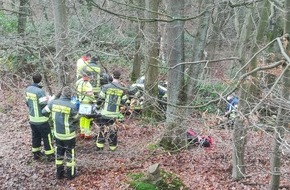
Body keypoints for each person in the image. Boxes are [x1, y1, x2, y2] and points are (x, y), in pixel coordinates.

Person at [42, 86, 79, 180]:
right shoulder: (72, 106)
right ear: (70, 95)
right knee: (71, 154)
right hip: (69, 136)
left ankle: (59, 174)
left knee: (59, 154)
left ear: (62, 93)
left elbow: (43, 112)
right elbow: (76, 119)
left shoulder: (53, 103)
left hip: (58, 134)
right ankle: (71, 175)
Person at [25, 72, 54, 161]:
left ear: (33, 79)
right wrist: (50, 100)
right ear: (40, 80)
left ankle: (36, 153)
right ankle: (50, 155)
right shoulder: (40, 91)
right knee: (47, 136)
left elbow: (27, 102)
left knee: (35, 136)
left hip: (32, 118)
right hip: (41, 119)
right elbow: (43, 105)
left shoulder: (28, 89)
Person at [96, 70, 127, 151]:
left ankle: (100, 147)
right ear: (120, 77)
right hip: (115, 115)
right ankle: (112, 148)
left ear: (112, 76)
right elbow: (124, 102)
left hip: (105, 114)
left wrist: (97, 108)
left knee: (102, 130)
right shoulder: (122, 88)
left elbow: (100, 99)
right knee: (113, 132)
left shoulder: (106, 87)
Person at [76, 72, 96, 139]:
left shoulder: (78, 82)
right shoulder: (87, 84)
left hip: (80, 102)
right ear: (87, 77)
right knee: (87, 118)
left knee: (82, 118)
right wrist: (94, 101)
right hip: (87, 103)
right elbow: (90, 94)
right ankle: (87, 135)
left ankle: (82, 132)